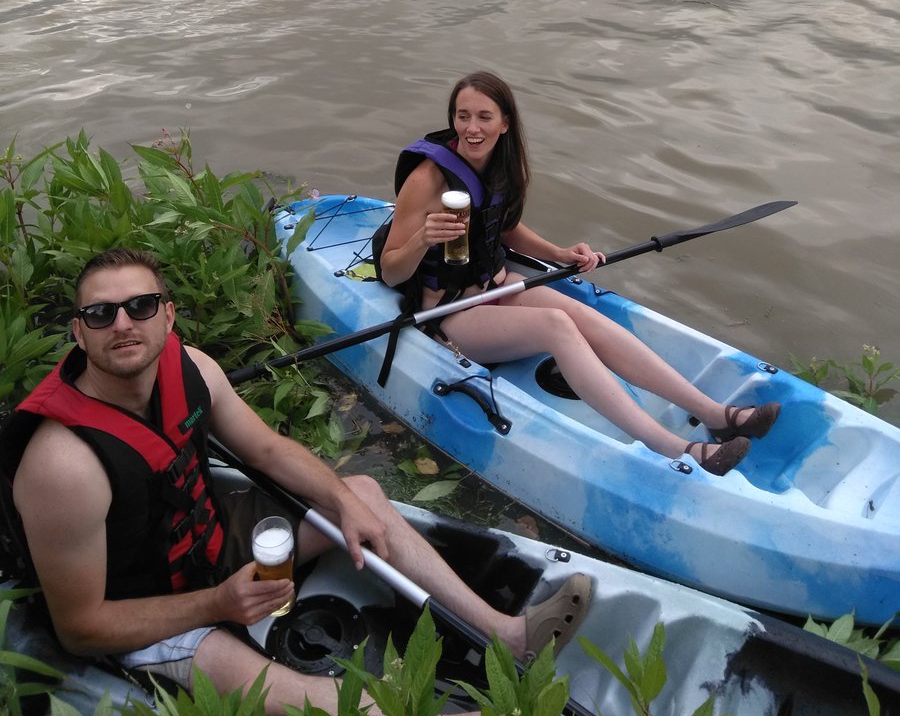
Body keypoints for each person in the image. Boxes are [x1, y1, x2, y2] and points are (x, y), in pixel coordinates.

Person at [0, 248, 591, 715]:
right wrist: (217, 602)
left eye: (142, 306)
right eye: (101, 314)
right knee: (316, 699)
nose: (123, 324)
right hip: (141, 606)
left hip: (207, 541)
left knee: (360, 495)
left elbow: (267, 448)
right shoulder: (63, 465)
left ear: (168, 315)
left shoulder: (193, 367)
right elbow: (80, 628)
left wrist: (340, 501)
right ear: (79, 333)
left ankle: (507, 635)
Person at [378, 71, 781, 477]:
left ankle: (714, 414)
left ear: (505, 124)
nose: (472, 128)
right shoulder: (427, 178)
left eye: (484, 117)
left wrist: (558, 253)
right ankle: (676, 448)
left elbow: (499, 224)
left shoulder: (499, 165)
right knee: (557, 325)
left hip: (495, 286)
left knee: (584, 316)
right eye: (462, 116)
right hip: (450, 315)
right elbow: (392, 271)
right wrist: (422, 240)